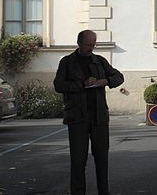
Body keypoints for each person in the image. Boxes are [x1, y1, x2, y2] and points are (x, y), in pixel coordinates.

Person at [53, 29, 124, 195]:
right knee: (78, 161)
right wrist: (82, 85)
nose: (91, 48)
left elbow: (119, 77)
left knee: (102, 160)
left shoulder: (99, 61)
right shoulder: (67, 62)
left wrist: (105, 81)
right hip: (77, 117)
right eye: (88, 45)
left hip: (99, 118)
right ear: (79, 43)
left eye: (93, 44)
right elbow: (58, 85)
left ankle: (103, 192)